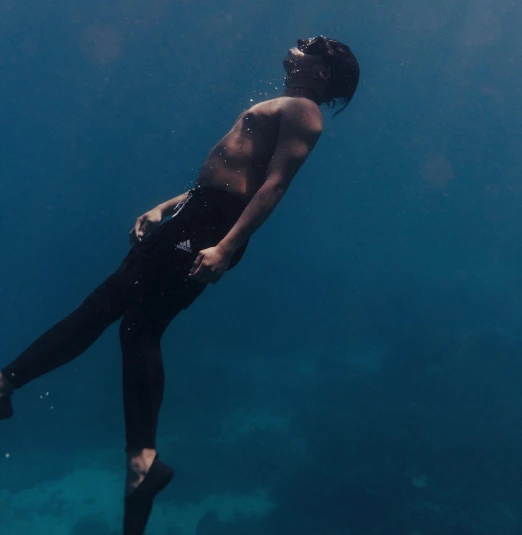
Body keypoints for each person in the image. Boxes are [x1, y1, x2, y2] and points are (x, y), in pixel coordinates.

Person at [0, 35, 360, 535]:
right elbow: (225, 173)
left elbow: (273, 184)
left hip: (213, 227)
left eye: (306, 48)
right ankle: (141, 464)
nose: (293, 51)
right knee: (133, 325)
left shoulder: (304, 112)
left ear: (323, 72)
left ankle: (11, 384)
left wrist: (228, 246)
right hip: (196, 215)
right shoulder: (288, 104)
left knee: (116, 310)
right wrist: (167, 207)